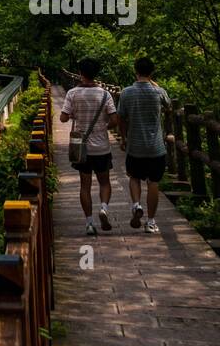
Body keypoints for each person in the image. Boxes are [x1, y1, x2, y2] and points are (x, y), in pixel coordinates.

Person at [60, 57, 118, 236]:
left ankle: (89, 223)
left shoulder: (72, 93)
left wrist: (75, 115)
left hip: (81, 148)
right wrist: (104, 127)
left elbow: (63, 117)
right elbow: (114, 120)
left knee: (84, 185)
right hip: (101, 147)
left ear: (80, 73)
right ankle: (104, 208)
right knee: (104, 182)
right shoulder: (105, 94)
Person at [116, 57, 171, 234]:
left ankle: (136, 204)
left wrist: (124, 139)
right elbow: (169, 106)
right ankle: (151, 221)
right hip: (156, 147)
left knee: (134, 177)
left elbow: (121, 117)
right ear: (152, 72)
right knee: (153, 182)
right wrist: (154, 83)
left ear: (135, 71)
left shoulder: (126, 92)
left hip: (135, 145)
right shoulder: (159, 91)